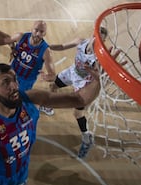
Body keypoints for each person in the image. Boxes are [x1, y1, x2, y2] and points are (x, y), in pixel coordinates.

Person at [47, 27, 114, 158]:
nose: (97, 40)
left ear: (104, 41)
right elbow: (61, 46)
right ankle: (48, 108)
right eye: (96, 36)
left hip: (84, 84)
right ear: (92, 34)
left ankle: (86, 138)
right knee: (53, 85)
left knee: (77, 113)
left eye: (101, 39)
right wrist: (47, 47)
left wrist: (91, 71)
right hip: (72, 73)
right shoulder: (80, 41)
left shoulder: (100, 57)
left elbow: (99, 78)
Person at [0, 20, 57, 116]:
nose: (38, 33)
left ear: (45, 33)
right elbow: (5, 40)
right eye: (36, 30)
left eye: (41, 32)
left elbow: (53, 75)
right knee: (6, 94)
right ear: (31, 29)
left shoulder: (46, 51)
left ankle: (39, 106)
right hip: (11, 73)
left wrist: (47, 77)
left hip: (26, 81)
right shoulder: (21, 36)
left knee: (17, 100)